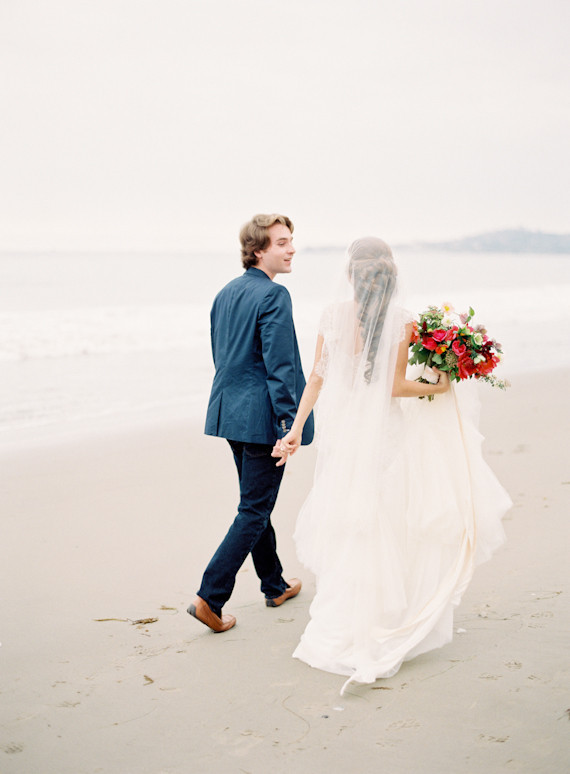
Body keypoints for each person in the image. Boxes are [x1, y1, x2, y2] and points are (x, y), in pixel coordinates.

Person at [274, 236, 511, 693]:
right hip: (387, 436)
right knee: (387, 519)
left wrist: (296, 430)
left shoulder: (330, 317)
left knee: (353, 521)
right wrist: (441, 386)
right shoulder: (402, 321)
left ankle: (345, 620)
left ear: (349, 275)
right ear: (392, 273)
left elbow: (316, 380)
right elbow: (397, 387)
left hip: (345, 438)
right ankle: (387, 615)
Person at [188, 214, 314, 633]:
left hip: (230, 411)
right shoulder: (274, 296)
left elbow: (221, 355)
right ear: (259, 250)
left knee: (255, 503)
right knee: (254, 507)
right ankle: (210, 598)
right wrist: (286, 424)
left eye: (291, 240)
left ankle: (274, 584)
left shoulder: (225, 294)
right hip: (262, 418)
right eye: (282, 242)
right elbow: (280, 365)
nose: (291, 248)